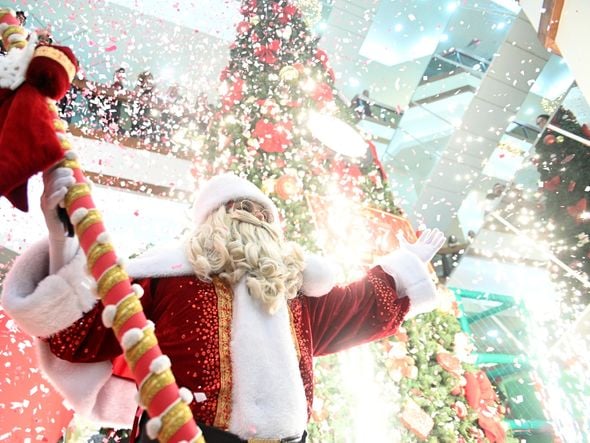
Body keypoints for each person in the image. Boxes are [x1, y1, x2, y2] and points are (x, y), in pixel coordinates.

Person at [1, 170, 445, 442]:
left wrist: (402, 270)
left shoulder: (295, 297)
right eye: (236, 210)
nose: (248, 219)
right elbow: (84, 333)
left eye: (258, 212)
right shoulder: (162, 279)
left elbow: (359, 308)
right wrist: (64, 242)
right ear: (208, 225)